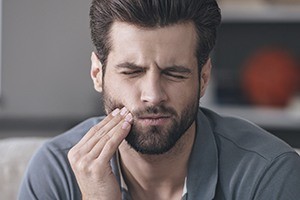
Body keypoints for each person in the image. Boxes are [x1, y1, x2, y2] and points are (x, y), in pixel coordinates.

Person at [19, 0, 300, 199]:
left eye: (174, 73)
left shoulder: (269, 172)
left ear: (203, 78)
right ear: (97, 73)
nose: (152, 95)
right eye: (132, 72)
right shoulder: (55, 171)